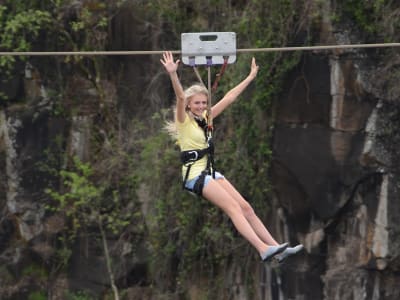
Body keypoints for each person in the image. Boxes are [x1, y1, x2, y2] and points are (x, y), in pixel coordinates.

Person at [160, 51, 303, 262]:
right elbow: (180, 97)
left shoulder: (206, 118)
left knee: (246, 207)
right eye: (196, 103)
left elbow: (229, 98)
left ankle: (276, 249)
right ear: (189, 105)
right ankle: (263, 249)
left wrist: (250, 77)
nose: (200, 106)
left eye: (203, 103)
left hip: (209, 172)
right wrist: (173, 74)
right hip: (195, 176)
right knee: (233, 208)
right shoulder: (184, 121)